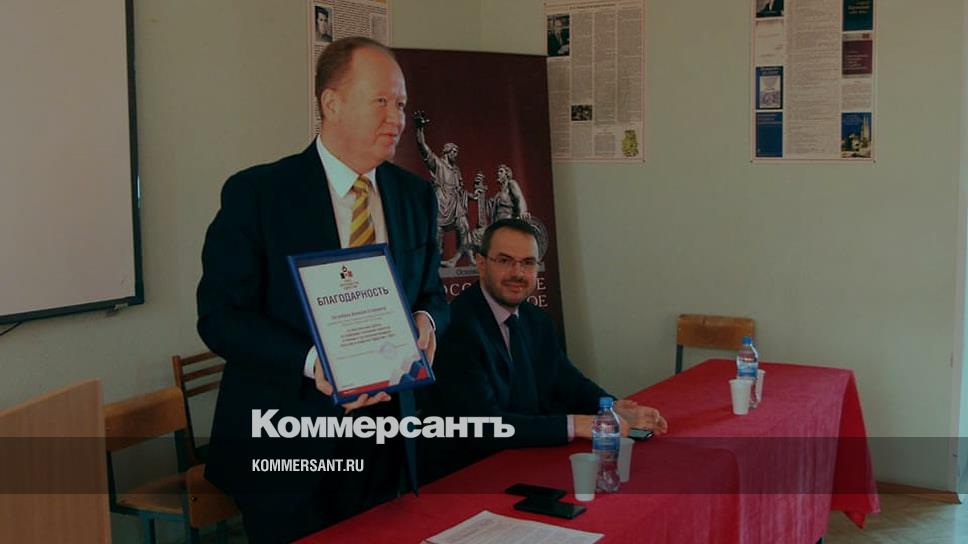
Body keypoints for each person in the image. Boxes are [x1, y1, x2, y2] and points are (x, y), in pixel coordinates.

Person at [197, 37, 448, 543]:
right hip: (287, 443)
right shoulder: (258, 194)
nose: (397, 119)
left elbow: (431, 294)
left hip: (385, 440)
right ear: (331, 104)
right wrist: (315, 362)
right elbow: (221, 318)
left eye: (401, 104)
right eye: (381, 101)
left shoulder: (415, 195)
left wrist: (426, 322)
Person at [429, 219, 667, 474]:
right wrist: (576, 424)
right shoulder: (456, 326)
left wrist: (613, 410)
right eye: (505, 260)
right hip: (470, 472)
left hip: (528, 458)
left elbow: (568, 382)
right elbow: (486, 426)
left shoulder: (536, 319)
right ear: (481, 263)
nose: (517, 273)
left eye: (528, 262)